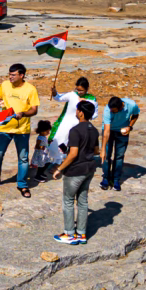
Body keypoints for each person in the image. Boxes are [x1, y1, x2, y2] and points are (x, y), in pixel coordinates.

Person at [53, 100, 102, 244]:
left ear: (81, 112)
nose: (76, 112)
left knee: (68, 201)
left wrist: (59, 169)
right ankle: (81, 233)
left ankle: (69, 234)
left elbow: (73, 154)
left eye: (77, 110)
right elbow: (96, 151)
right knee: (83, 201)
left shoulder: (75, 130)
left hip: (75, 170)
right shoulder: (94, 130)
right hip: (89, 169)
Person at [0, 63, 39, 197]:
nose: (10, 77)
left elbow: (34, 110)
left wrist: (23, 113)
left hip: (21, 129)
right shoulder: (4, 85)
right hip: (4, 127)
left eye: (13, 75)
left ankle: (22, 184)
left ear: (21, 75)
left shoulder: (30, 89)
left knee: (23, 158)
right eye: (9, 74)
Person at [100, 95, 141, 191]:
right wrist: (102, 149)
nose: (111, 112)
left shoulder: (132, 105)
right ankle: (106, 178)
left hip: (122, 132)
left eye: (114, 111)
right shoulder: (107, 110)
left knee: (119, 156)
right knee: (106, 155)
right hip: (109, 130)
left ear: (121, 107)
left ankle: (116, 180)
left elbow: (135, 115)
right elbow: (106, 131)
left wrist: (129, 127)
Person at [48, 76, 94, 154]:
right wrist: (54, 92)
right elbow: (58, 97)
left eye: (81, 90)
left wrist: (86, 101)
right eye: (77, 90)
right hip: (66, 123)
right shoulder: (72, 95)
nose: (79, 92)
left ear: (87, 89)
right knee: (58, 142)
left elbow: (94, 113)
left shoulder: (91, 99)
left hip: (79, 125)